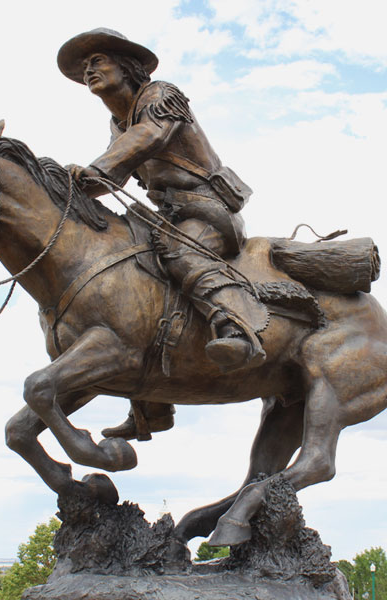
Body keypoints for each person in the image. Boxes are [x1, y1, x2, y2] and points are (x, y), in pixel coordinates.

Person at [58, 29, 268, 440]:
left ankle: (237, 329)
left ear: (127, 66)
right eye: (85, 68)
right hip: (170, 216)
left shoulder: (160, 96)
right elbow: (115, 165)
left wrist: (94, 171)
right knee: (131, 285)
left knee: (180, 253)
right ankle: (151, 408)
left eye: (98, 61)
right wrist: (72, 184)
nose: (89, 71)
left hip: (208, 212)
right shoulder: (119, 123)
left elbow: (147, 140)